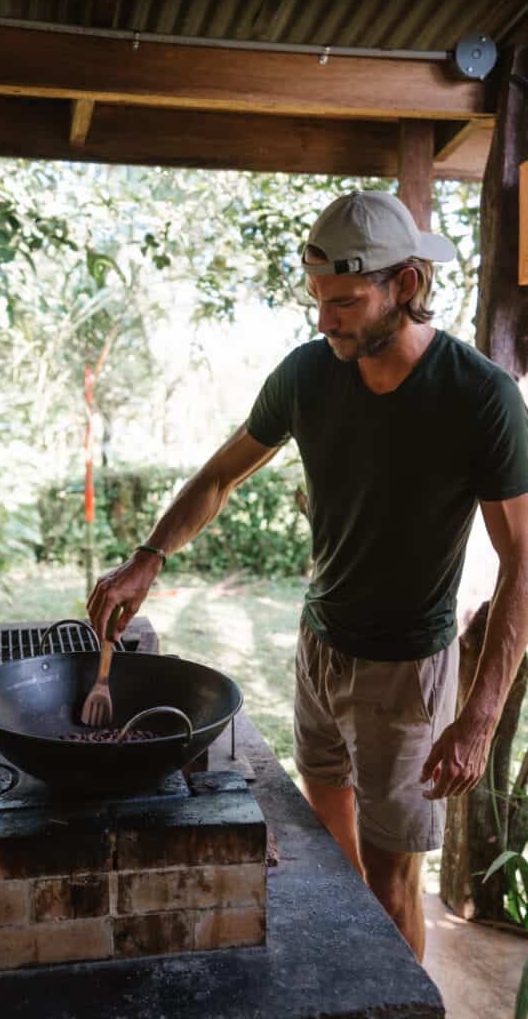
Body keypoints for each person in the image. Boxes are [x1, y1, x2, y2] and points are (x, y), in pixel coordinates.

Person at [87, 190, 528, 961]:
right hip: (318, 647)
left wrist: (479, 716)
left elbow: (524, 557)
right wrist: (147, 556)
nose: (325, 321)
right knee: (332, 852)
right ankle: (358, 984)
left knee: (393, 888)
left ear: (409, 286)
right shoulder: (306, 375)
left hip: (405, 672)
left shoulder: (477, 396)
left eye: (345, 302)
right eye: (318, 302)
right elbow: (221, 475)